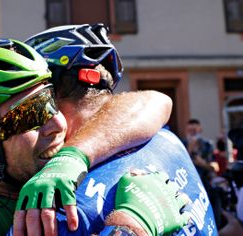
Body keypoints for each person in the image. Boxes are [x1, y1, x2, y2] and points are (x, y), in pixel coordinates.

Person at [0, 38, 187, 235]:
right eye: (30, 115)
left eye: (52, 103)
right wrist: (130, 227)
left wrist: (74, 157)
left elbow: (156, 101)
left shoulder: (64, 165)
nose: (57, 123)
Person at [12, 23, 218, 235]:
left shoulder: (63, 207)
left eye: (33, 107)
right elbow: (155, 100)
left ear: (50, 97)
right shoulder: (163, 136)